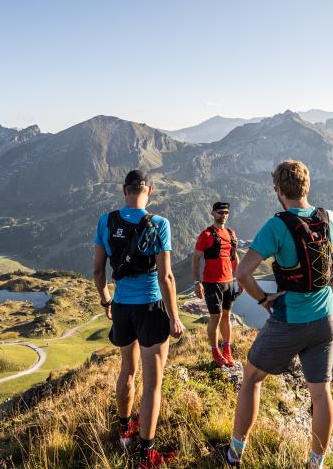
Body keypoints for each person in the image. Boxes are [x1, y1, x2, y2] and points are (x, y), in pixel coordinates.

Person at [226, 160, 333, 468]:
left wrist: (263, 299)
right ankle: (316, 463)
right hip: (326, 319)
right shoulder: (330, 219)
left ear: (278, 190)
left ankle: (234, 454)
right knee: (320, 393)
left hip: (289, 320)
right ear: (306, 187)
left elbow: (242, 273)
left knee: (252, 378)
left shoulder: (276, 226)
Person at [93, 170, 185, 468]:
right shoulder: (159, 224)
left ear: (125, 190)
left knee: (127, 371)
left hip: (121, 306)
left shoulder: (106, 221)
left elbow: (97, 272)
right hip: (150, 307)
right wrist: (175, 317)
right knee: (153, 384)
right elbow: (166, 275)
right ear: (150, 190)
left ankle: (124, 433)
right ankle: (146, 454)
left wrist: (107, 299)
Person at [192, 201, 240, 367]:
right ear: (213, 213)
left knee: (227, 315)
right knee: (215, 316)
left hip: (228, 281)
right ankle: (215, 351)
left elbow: (234, 257)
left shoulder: (231, 233)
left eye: (226, 212)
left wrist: (239, 278)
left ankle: (227, 349)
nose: (223, 215)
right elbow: (196, 260)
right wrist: (197, 282)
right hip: (212, 283)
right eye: (220, 212)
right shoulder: (205, 235)